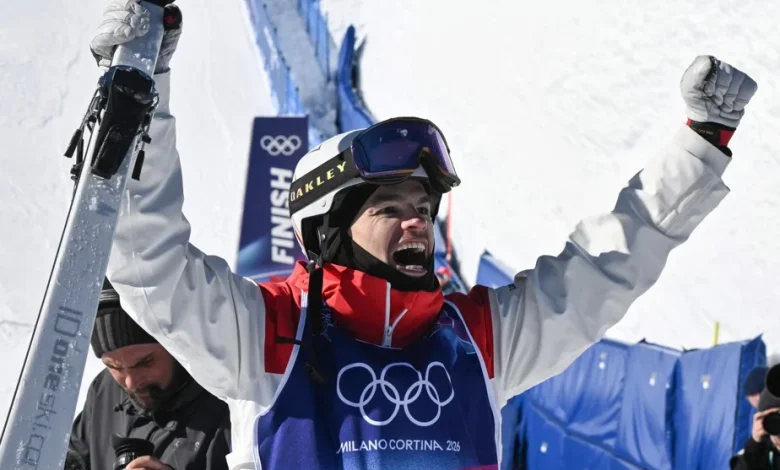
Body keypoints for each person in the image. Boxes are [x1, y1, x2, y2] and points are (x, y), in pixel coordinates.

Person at [90, 1, 758, 468]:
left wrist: (701, 146)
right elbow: (150, 268)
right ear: (326, 233)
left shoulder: (479, 340)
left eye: (422, 204)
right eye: (389, 208)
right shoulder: (266, 335)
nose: (418, 220)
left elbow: (604, 271)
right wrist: (144, 83)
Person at [66, 280, 232, 470]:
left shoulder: (233, 399)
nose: (131, 382)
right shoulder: (104, 390)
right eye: (114, 367)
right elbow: (75, 455)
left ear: (178, 346)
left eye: (145, 362)